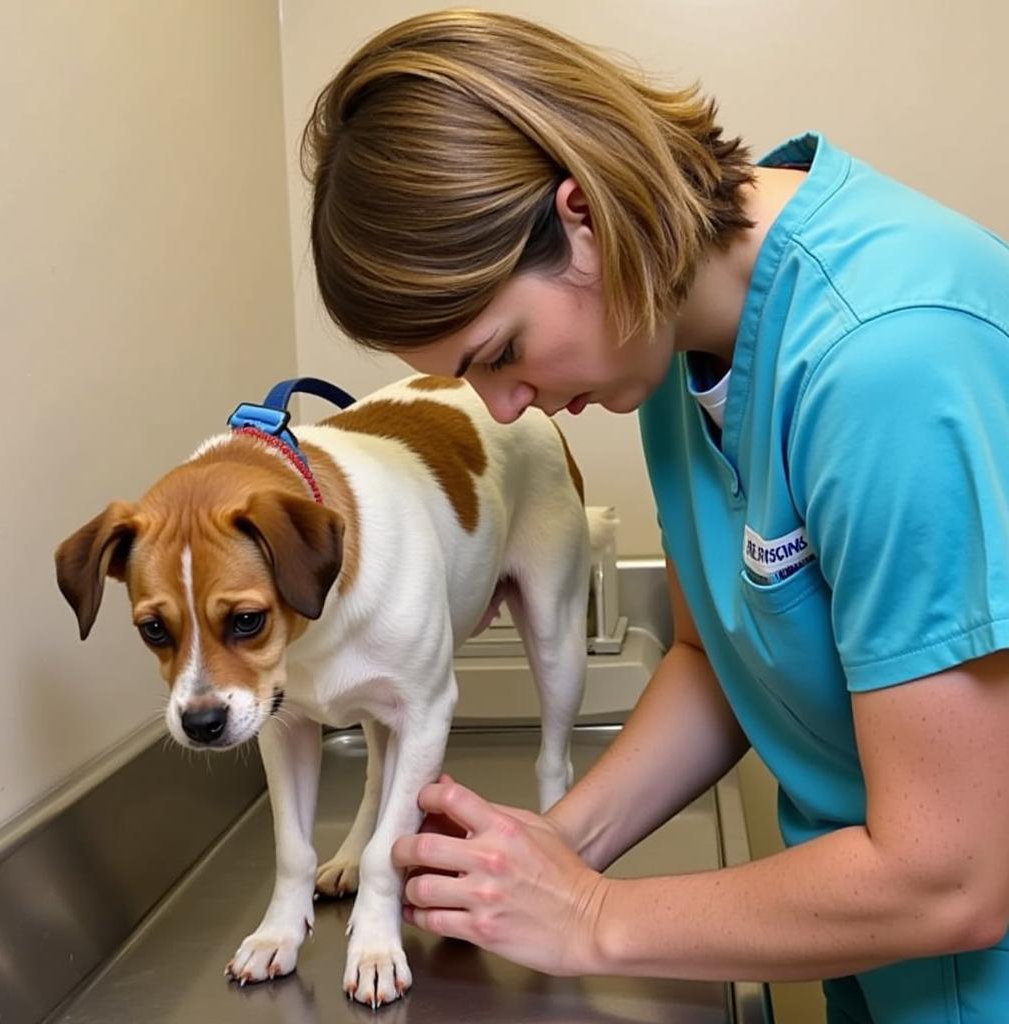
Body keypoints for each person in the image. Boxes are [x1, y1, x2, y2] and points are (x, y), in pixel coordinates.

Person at [299, 10, 1009, 1023]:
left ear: (580, 217)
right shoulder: (672, 345)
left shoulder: (890, 361)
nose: (503, 408)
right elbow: (712, 657)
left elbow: (951, 876)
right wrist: (560, 846)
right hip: (889, 967)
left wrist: (590, 915)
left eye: (498, 353)